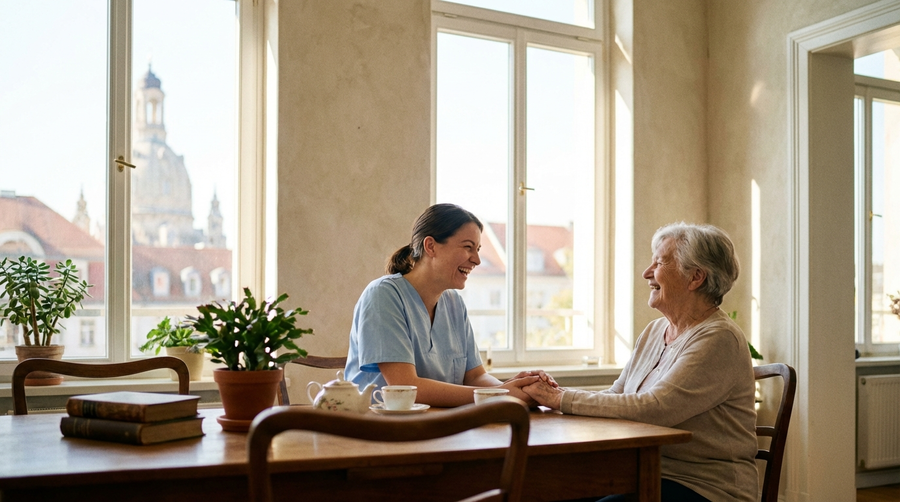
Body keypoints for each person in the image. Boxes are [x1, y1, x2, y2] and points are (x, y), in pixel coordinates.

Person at [523, 222, 758, 502]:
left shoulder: (719, 338)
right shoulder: (654, 331)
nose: (647, 273)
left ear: (695, 277)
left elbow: (654, 408)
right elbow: (617, 395)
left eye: (659, 263)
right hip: (641, 472)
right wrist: (555, 396)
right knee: (546, 493)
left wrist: (560, 399)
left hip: (705, 487)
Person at [344, 203, 547, 407]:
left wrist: (515, 389)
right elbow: (405, 387)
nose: (477, 260)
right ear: (430, 246)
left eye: (477, 249)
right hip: (379, 424)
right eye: (467, 247)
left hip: (441, 422)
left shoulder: (454, 303)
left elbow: (475, 377)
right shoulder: (383, 295)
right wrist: (502, 394)